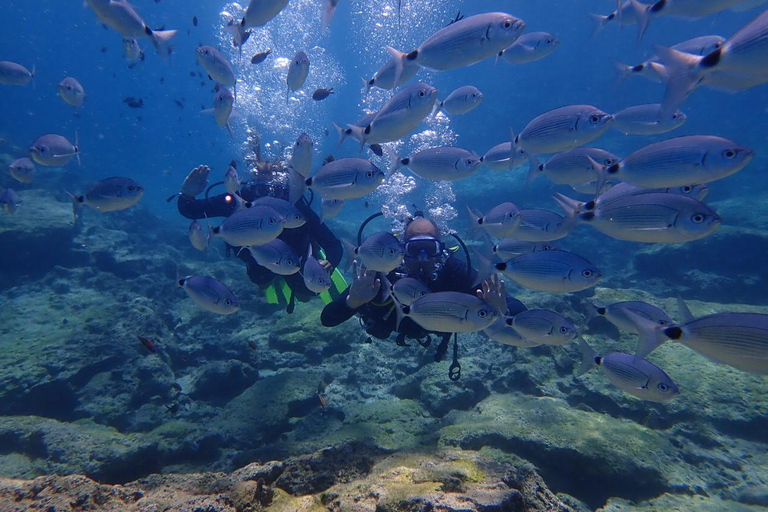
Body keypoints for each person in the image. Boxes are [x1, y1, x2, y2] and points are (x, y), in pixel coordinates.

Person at [321, 212, 525, 362]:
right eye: (414, 249)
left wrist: (501, 309)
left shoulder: (453, 271)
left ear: (441, 248)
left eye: (429, 249)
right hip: (386, 330)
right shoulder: (383, 271)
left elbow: (519, 311)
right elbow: (327, 319)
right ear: (401, 249)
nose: (422, 257)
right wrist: (353, 302)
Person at [177, 158, 345, 313]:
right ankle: (275, 280)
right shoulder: (239, 200)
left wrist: (329, 262)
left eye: (274, 189)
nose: (267, 194)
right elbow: (190, 210)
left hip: (297, 261)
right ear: (250, 183)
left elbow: (333, 244)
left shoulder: (294, 207)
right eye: (259, 187)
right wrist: (186, 194)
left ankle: (311, 258)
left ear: (284, 187)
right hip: (259, 260)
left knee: (305, 295)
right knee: (262, 281)